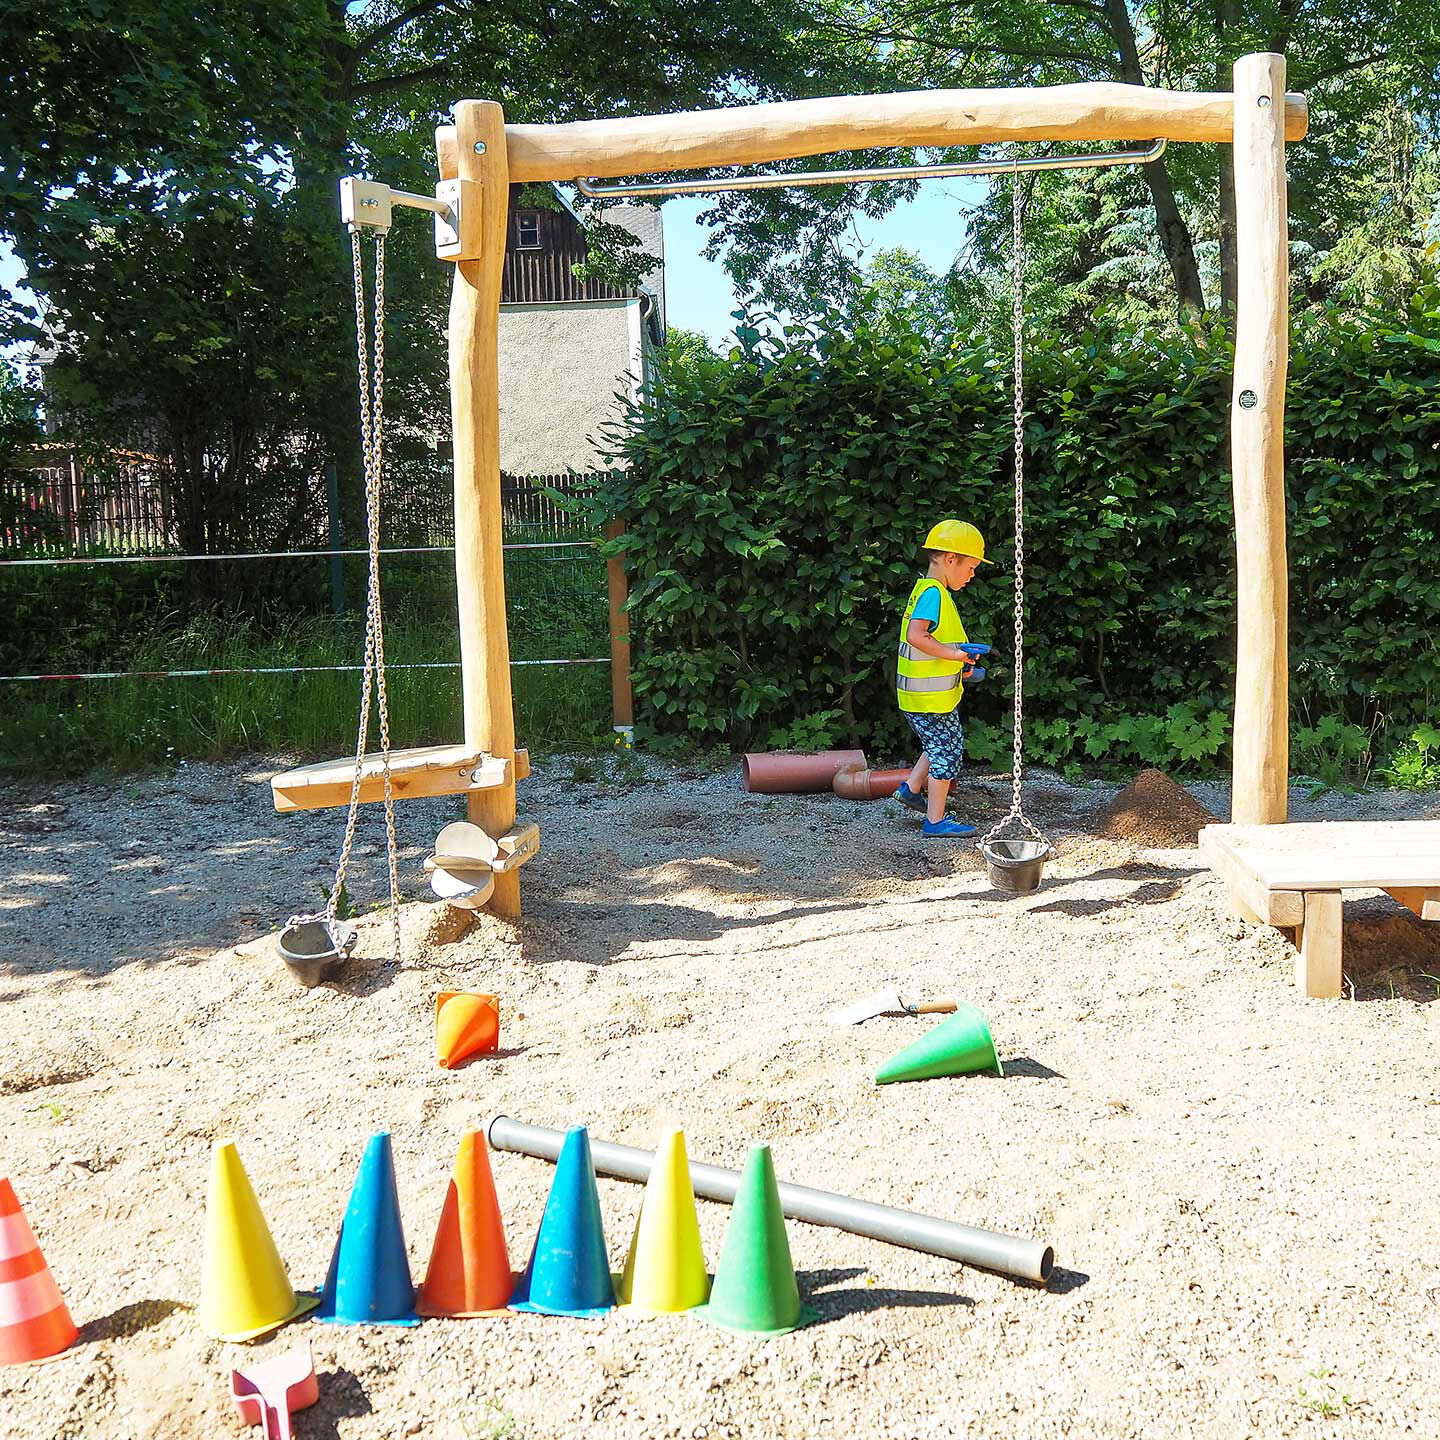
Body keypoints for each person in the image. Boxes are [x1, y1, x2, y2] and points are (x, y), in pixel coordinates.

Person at [892, 520, 990, 837]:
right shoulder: (934, 594)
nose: (972, 574)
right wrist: (957, 656)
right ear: (950, 559)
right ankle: (935, 821)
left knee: (937, 743)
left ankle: (910, 788)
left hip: (922, 696)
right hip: (928, 699)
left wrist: (963, 666)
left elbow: (935, 642)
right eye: (971, 567)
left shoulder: (929, 591)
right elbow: (917, 636)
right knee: (947, 751)